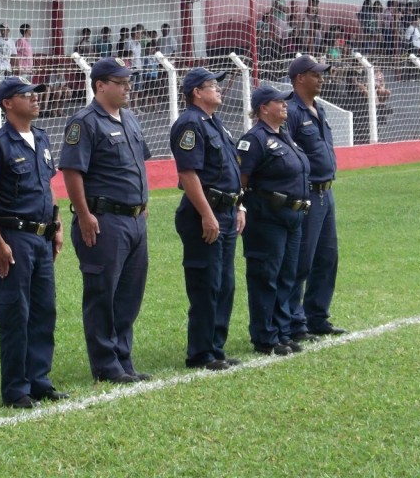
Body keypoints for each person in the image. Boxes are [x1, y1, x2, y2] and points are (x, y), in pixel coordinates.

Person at [0, 76, 69, 409]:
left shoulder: (41, 139)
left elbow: (49, 186)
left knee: (45, 309)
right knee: (16, 311)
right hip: (14, 237)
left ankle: (39, 380)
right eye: (26, 95)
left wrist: (56, 222)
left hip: (42, 237)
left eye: (35, 94)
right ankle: (16, 388)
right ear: (7, 104)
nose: (34, 99)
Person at [59, 57, 152, 384]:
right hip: (104, 220)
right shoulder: (85, 122)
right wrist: (84, 215)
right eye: (120, 82)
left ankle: (122, 358)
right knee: (102, 294)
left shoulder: (131, 119)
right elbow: (72, 172)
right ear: (100, 85)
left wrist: (144, 202)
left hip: (135, 220)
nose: (128, 86)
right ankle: (105, 364)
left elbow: (140, 162)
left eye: (128, 81)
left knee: (129, 293)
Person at [169, 67, 245, 371]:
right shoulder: (190, 124)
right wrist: (207, 214)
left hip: (225, 212)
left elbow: (229, 171)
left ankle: (216, 347)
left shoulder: (216, 124)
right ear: (196, 92)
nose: (218, 89)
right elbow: (188, 173)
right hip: (205, 213)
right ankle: (200, 353)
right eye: (212, 85)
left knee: (224, 284)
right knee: (207, 283)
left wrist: (239, 206)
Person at [237, 85, 311, 356]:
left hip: (292, 216)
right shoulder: (254, 139)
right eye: (278, 102)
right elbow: (240, 181)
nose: (285, 106)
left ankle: (281, 331)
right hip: (267, 217)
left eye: (285, 102)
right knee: (266, 276)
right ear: (263, 108)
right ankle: (265, 336)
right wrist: (241, 209)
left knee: (286, 275)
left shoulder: (285, 135)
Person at [285, 55, 346, 342]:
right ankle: (294, 321)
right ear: (300, 78)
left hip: (326, 192)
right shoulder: (292, 111)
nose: (321, 78)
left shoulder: (318, 108)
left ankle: (317, 316)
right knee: (302, 260)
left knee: (327, 258)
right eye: (315, 74)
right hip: (307, 193)